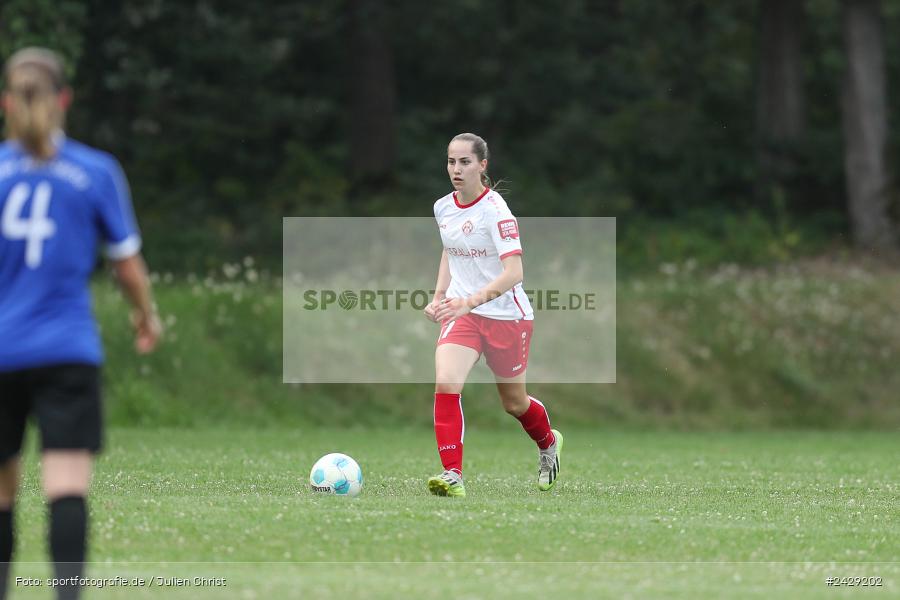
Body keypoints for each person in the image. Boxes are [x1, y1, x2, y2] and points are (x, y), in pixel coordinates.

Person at [0, 48, 161, 600]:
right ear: (65, 99)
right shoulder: (94, 171)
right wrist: (145, 316)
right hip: (67, 350)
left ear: (6, 102)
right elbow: (128, 267)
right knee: (65, 486)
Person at [423, 132, 562, 498]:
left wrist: (469, 301)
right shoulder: (443, 207)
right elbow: (450, 250)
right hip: (463, 314)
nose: (456, 169)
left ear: (482, 165)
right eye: (451, 161)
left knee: (514, 403)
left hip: (506, 317)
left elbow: (514, 273)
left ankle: (548, 443)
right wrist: (440, 297)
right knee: (446, 382)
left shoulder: (496, 211)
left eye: (464, 162)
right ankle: (452, 474)